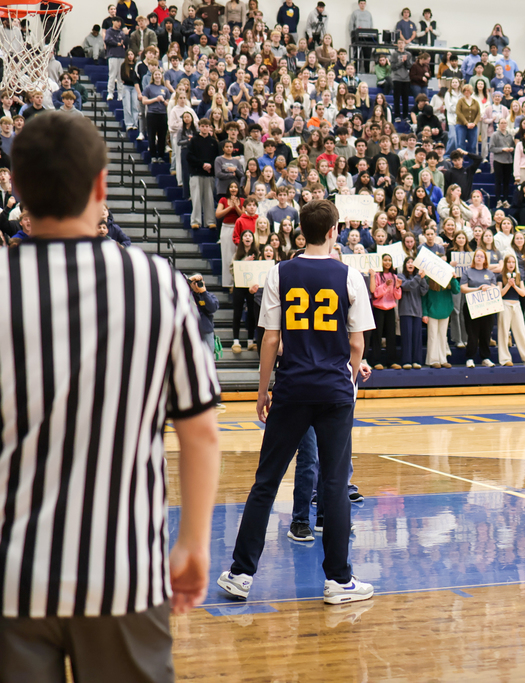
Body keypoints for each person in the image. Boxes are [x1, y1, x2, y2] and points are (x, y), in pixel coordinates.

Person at [0, 112, 220, 680]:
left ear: (17, 188)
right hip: (124, 573)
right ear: (101, 187)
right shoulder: (158, 285)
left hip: (11, 578)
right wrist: (193, 543)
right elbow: (199, 428)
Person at [218, 199, 376, 605]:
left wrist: (262, 390)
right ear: (333, 230)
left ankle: (240, 574)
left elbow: (270, 338)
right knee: (336, 484)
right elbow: (357, 342)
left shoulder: (280, 271)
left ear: (301, 231)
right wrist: (350, 381)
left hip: (290, 387)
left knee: (266, 481)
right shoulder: (348, 276)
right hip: (333, 391)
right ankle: (339, 581)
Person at [497, 254, 525, 366]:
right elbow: (500, 294)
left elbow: (523, 293)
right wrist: (508, 284)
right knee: (503, 332)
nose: (511, 264)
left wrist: (514, 285)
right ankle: (505, 359)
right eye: (508, 262)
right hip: (505, 304)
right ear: (505, 263)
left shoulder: (518, 276)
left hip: (516, 305)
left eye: (513, 262)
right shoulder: (500, 276)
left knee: (521, 331)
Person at [461, 248, 498, 367]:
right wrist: (478, 289)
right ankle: (470, 358)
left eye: (482, 256)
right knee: (472, 333)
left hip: (487, 307)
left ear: (485, 259)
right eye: (477, 256)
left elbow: (494, 289)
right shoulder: (467, 272)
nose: (479, 258)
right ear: (474, 258)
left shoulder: (490, 273)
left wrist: (488, 288)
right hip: (472, 306)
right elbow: (463, 288)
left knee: (486, 333)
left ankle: (485, 358)